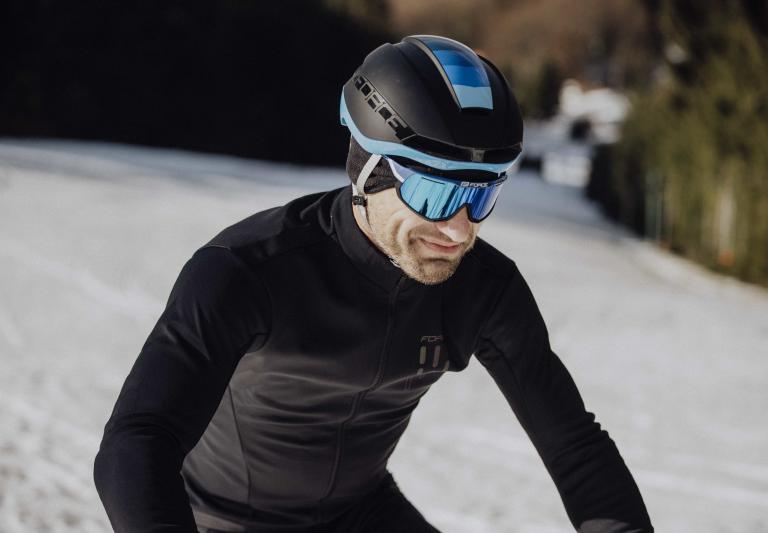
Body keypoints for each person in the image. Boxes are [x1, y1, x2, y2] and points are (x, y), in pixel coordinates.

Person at [94, 35, 653, 533]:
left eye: (482, 194)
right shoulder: (246, 271)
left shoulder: (484, 289)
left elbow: (575, 447)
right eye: (436, 194)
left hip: (361, 514)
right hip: (219, 520)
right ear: (367, 171)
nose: (459, 229)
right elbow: (137, 441)